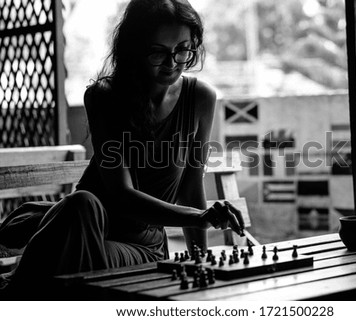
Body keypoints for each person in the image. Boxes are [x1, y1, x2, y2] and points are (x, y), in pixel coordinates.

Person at [0, 0, 244, 296]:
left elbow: (191, 186)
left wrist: (200, 262)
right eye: (158, 51)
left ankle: (14, 294)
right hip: (88, 225)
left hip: (139, 248)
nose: (172, 62)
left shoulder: (200, 98)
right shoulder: (104, 97)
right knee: (82, 205)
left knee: (67, 249)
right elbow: (121, 195)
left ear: (194, 46)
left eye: (182, 49)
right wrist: (197, 216)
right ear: (135, 49)